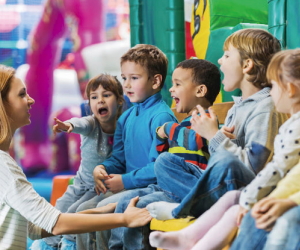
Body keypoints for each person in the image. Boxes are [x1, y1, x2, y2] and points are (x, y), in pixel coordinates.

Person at [148, 48, 300, 250]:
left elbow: (260, 168)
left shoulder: (267, 109)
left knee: (226, 165)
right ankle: (188, 232)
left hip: (257, 185)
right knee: (166, 162)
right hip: (246, 186)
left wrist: (213, 135)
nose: (220, 59)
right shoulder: (238, 107)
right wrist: (221, 139)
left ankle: (185, 208)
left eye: (227, 55)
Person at [0, 64, 152, 250]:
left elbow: (34, 227)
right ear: (3, 105)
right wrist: (124, 219)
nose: (31, 100)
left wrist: (100, 211)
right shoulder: (4, 167)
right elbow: (55, 223)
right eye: (22, 94)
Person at [102, 58, 221, 250]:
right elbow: (155, 156)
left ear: (200, 91)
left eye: (177, 84)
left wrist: (165, 128)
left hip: (189, 187)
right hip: (167, 188)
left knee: (157, 174)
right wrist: (160, 137)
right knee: (126, 201)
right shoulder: (182, 124)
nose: (171, 89)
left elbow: (195, 140)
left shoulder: (206, 120)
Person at [75, 44, 177, 250]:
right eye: (124, 78)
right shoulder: (127, 117)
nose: (127, 85)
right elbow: (119, 158)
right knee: (82, 213)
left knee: (104, 209)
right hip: (129, 185)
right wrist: (103, 168)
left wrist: (125, 181)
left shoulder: (162, 117)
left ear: (156, 81)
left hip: (149, 188)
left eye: (134, 78)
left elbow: (162, 167)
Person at [31, 73, 125, 249]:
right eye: (94, 97)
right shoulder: (91, 123)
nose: (100, 101)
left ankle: (69, 243)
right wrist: (68, 126)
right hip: (81, 183)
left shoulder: (122, 127)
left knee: (77, 212)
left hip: (98, 188)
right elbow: (79, 123)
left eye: (107, 95)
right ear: (89, 104)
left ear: (119, 100)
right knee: (59, 209)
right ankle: (47, 244)